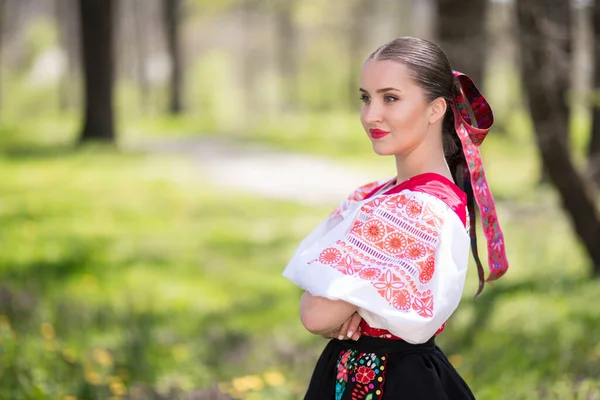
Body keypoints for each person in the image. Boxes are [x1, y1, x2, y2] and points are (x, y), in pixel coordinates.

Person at [283, 36, 509, 400]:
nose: (371, 114)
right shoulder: (378, 195)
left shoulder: (415, 211)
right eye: (365, 97)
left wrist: (342, 303)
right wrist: (351, 302)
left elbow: (316, 314)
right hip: (357, 372)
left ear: (435, 110)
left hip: (394, 383)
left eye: (390, 98)